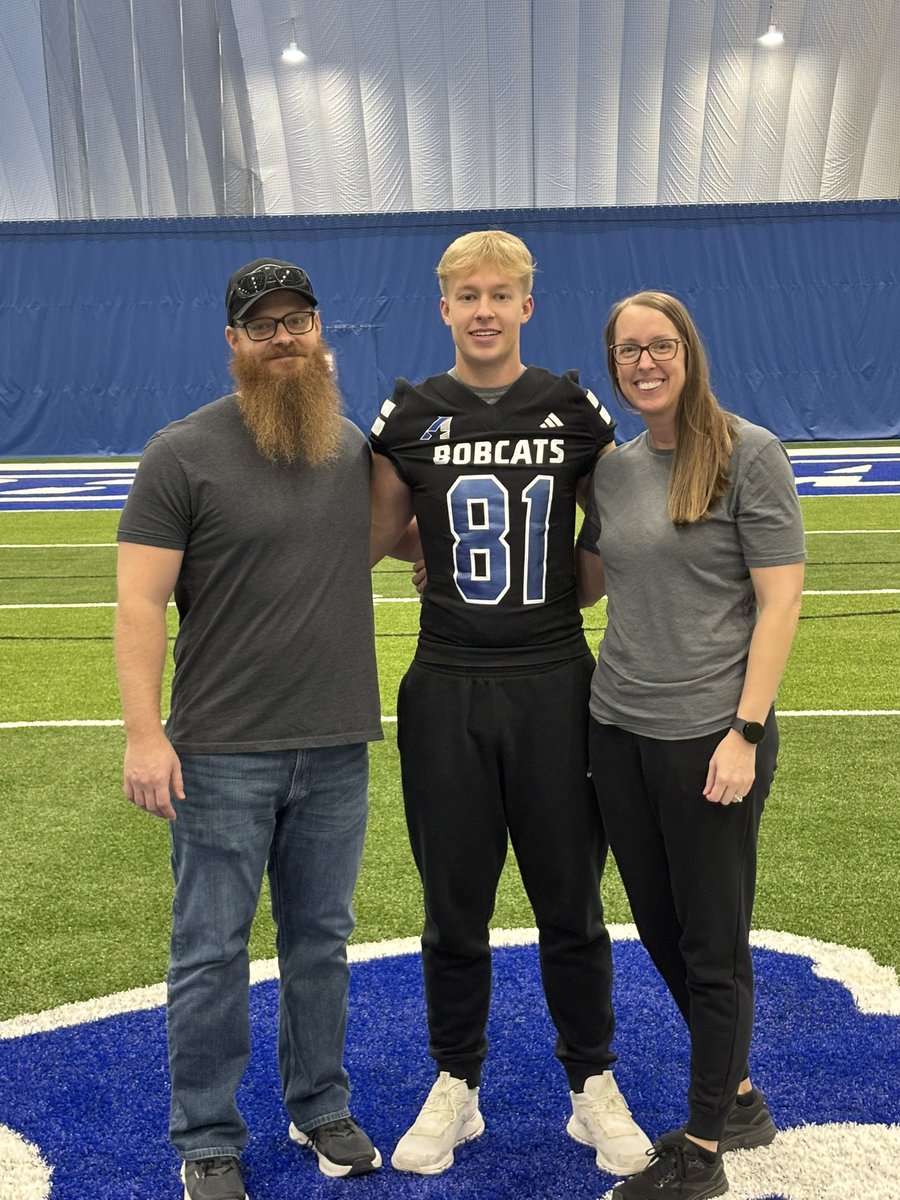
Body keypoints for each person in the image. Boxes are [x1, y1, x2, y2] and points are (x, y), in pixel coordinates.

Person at [369, 230, 651, 1179]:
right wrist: (427, 557)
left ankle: (591, 1084)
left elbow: (609, 554)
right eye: (467, 296)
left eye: (501, 294)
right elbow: (372, 535)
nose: (484, 310)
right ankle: (457, 1082)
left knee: (570, 898)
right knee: (454, 907)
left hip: (553, 681)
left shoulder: (572, 409)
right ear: (442, 307)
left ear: (527, 305)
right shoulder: (409, 416)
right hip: (445, 685)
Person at [114, 258, 384, 1200]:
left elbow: (403, 541)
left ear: (321, 333)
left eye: (298, 321)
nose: (284, 339)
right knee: (209, 953)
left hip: (337, 746)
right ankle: (208, 1136)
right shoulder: (179, 454)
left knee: (322, 943)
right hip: (220, 753)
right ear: (233, 343)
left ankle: (320, 1106)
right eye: (263, 326)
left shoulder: (349, 446)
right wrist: (145, 734)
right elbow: (140, 605)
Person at [576, 291, 805, 1200]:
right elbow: (592, 584)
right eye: (628, 350)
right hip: (618, 728)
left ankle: (705, 1149)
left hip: (711, 736)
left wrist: (744, 731)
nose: (644, 362)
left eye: (659, 345)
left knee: (713, 943)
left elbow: (780, 600)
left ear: (688, 351)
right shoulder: (617, 469)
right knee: (665, 931)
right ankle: (739, 1096)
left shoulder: (750, 453)